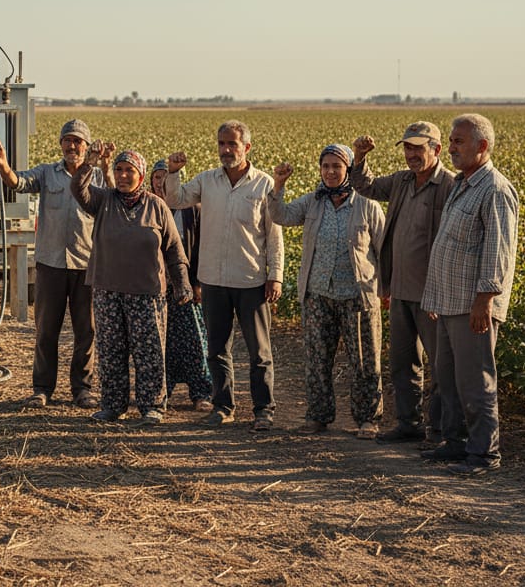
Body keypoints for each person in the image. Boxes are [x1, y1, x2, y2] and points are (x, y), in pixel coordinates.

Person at [0, 119, 113, 409]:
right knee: (46, 330)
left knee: (86, 331)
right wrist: (3, 165)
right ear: (61, 144)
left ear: (87, 145)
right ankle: (42, 389)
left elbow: (116, 198)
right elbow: (18, 182)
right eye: (67, 139)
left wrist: (104, 166)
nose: (72, 145)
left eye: (78, 140)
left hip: (87, 264)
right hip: (50, 263)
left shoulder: (99, 177)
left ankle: (82, 389)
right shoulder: (47, 173)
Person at [163, 120, 284, 431]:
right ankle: (223, 406)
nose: (226, 150)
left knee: (259, 352)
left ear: (247, 147)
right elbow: (175, 200)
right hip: (213, 280)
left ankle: (263, 410)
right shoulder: (206, 181)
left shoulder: (263, 184)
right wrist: (173, 172)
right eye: (222, 144)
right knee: (217, 349)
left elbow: (274, 235)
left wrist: (276, 276)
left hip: (250, 280)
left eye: (232, 144)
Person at [420, 114, 519, 476]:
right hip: (449, 302)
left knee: (476, 381)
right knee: (449, 378)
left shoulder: (494, 189)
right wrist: (433, 299)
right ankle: (456, 443)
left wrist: (485, 300)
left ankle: (483, 455)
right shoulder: (464, 185)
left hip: (473, 305)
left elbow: (499, 250)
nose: (451, 147)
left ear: (482, 146)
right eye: (451, 140)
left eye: (459, 141)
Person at [268, 144, 387, 439]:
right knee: (317, 358)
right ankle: (317, 417)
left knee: (364, 360)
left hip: (358, 295)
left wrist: (386, 291)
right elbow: (280, 215)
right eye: (326, 166)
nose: (331, 172)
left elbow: (386, 251)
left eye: (337, 166)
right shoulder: (313, 202)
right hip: (318, 293)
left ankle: (367, 419)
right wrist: (279, 184)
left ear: (348, 169)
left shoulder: (367, 205)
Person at [348, 122, 455, 447]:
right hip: (400, 289)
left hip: (433, 294)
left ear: (436, 149)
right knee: (402, 363)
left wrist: (442, 292)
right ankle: (409, 423)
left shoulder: (449, 185)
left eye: (417, 148)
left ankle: (439, 431)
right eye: (407, 148)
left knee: (440, 367)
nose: (411, 154)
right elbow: (364, 186)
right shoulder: (401, 181)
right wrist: (360, 156)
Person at [72, 146, 192, 424]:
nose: (123, 175)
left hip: (147, 294)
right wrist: (89, 165)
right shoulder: (104, 200)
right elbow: (79, 190)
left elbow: (174, 249)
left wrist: (182, 283)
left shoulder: (156, 205)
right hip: (108, 291)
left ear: (141, 175)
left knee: (149, 351)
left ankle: (152, 406)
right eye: (119, 170)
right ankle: (113, 405)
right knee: (111, 350)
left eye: (130, 170)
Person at [151, 160, 214, 412]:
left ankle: (201, 393)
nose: (160, 182)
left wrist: (196, 283)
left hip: (185, 285)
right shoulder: (146, 206)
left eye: (165, 177)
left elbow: (200, 247)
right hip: (155, 285)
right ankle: (160, 393)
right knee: (159, 341)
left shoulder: (192, 209)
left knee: (195, 340)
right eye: (156, 177)